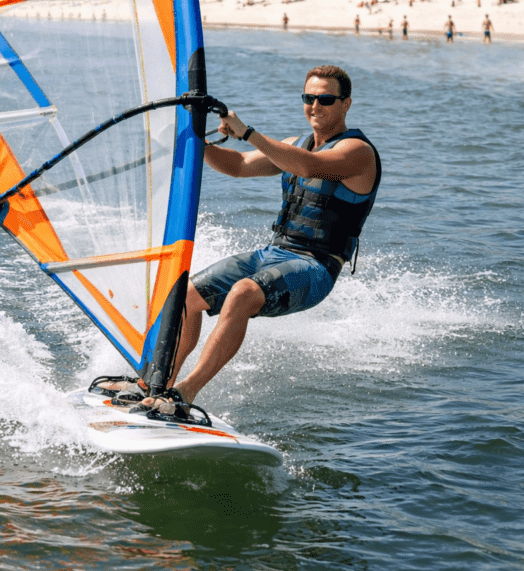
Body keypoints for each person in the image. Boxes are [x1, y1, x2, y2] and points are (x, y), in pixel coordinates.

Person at [103, 65, 381, 419]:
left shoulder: (358, 152)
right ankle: (154, 385)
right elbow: (237, 165)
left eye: (325, 99)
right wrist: (193, 139)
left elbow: (310, 167)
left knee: (242, 294)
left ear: (346, 104)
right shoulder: (298, 144)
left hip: (317, 267)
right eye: (308, 98)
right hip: (274, 254)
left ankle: (184, 394)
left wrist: (248, 132)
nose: (315, 106)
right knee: (184, 295)